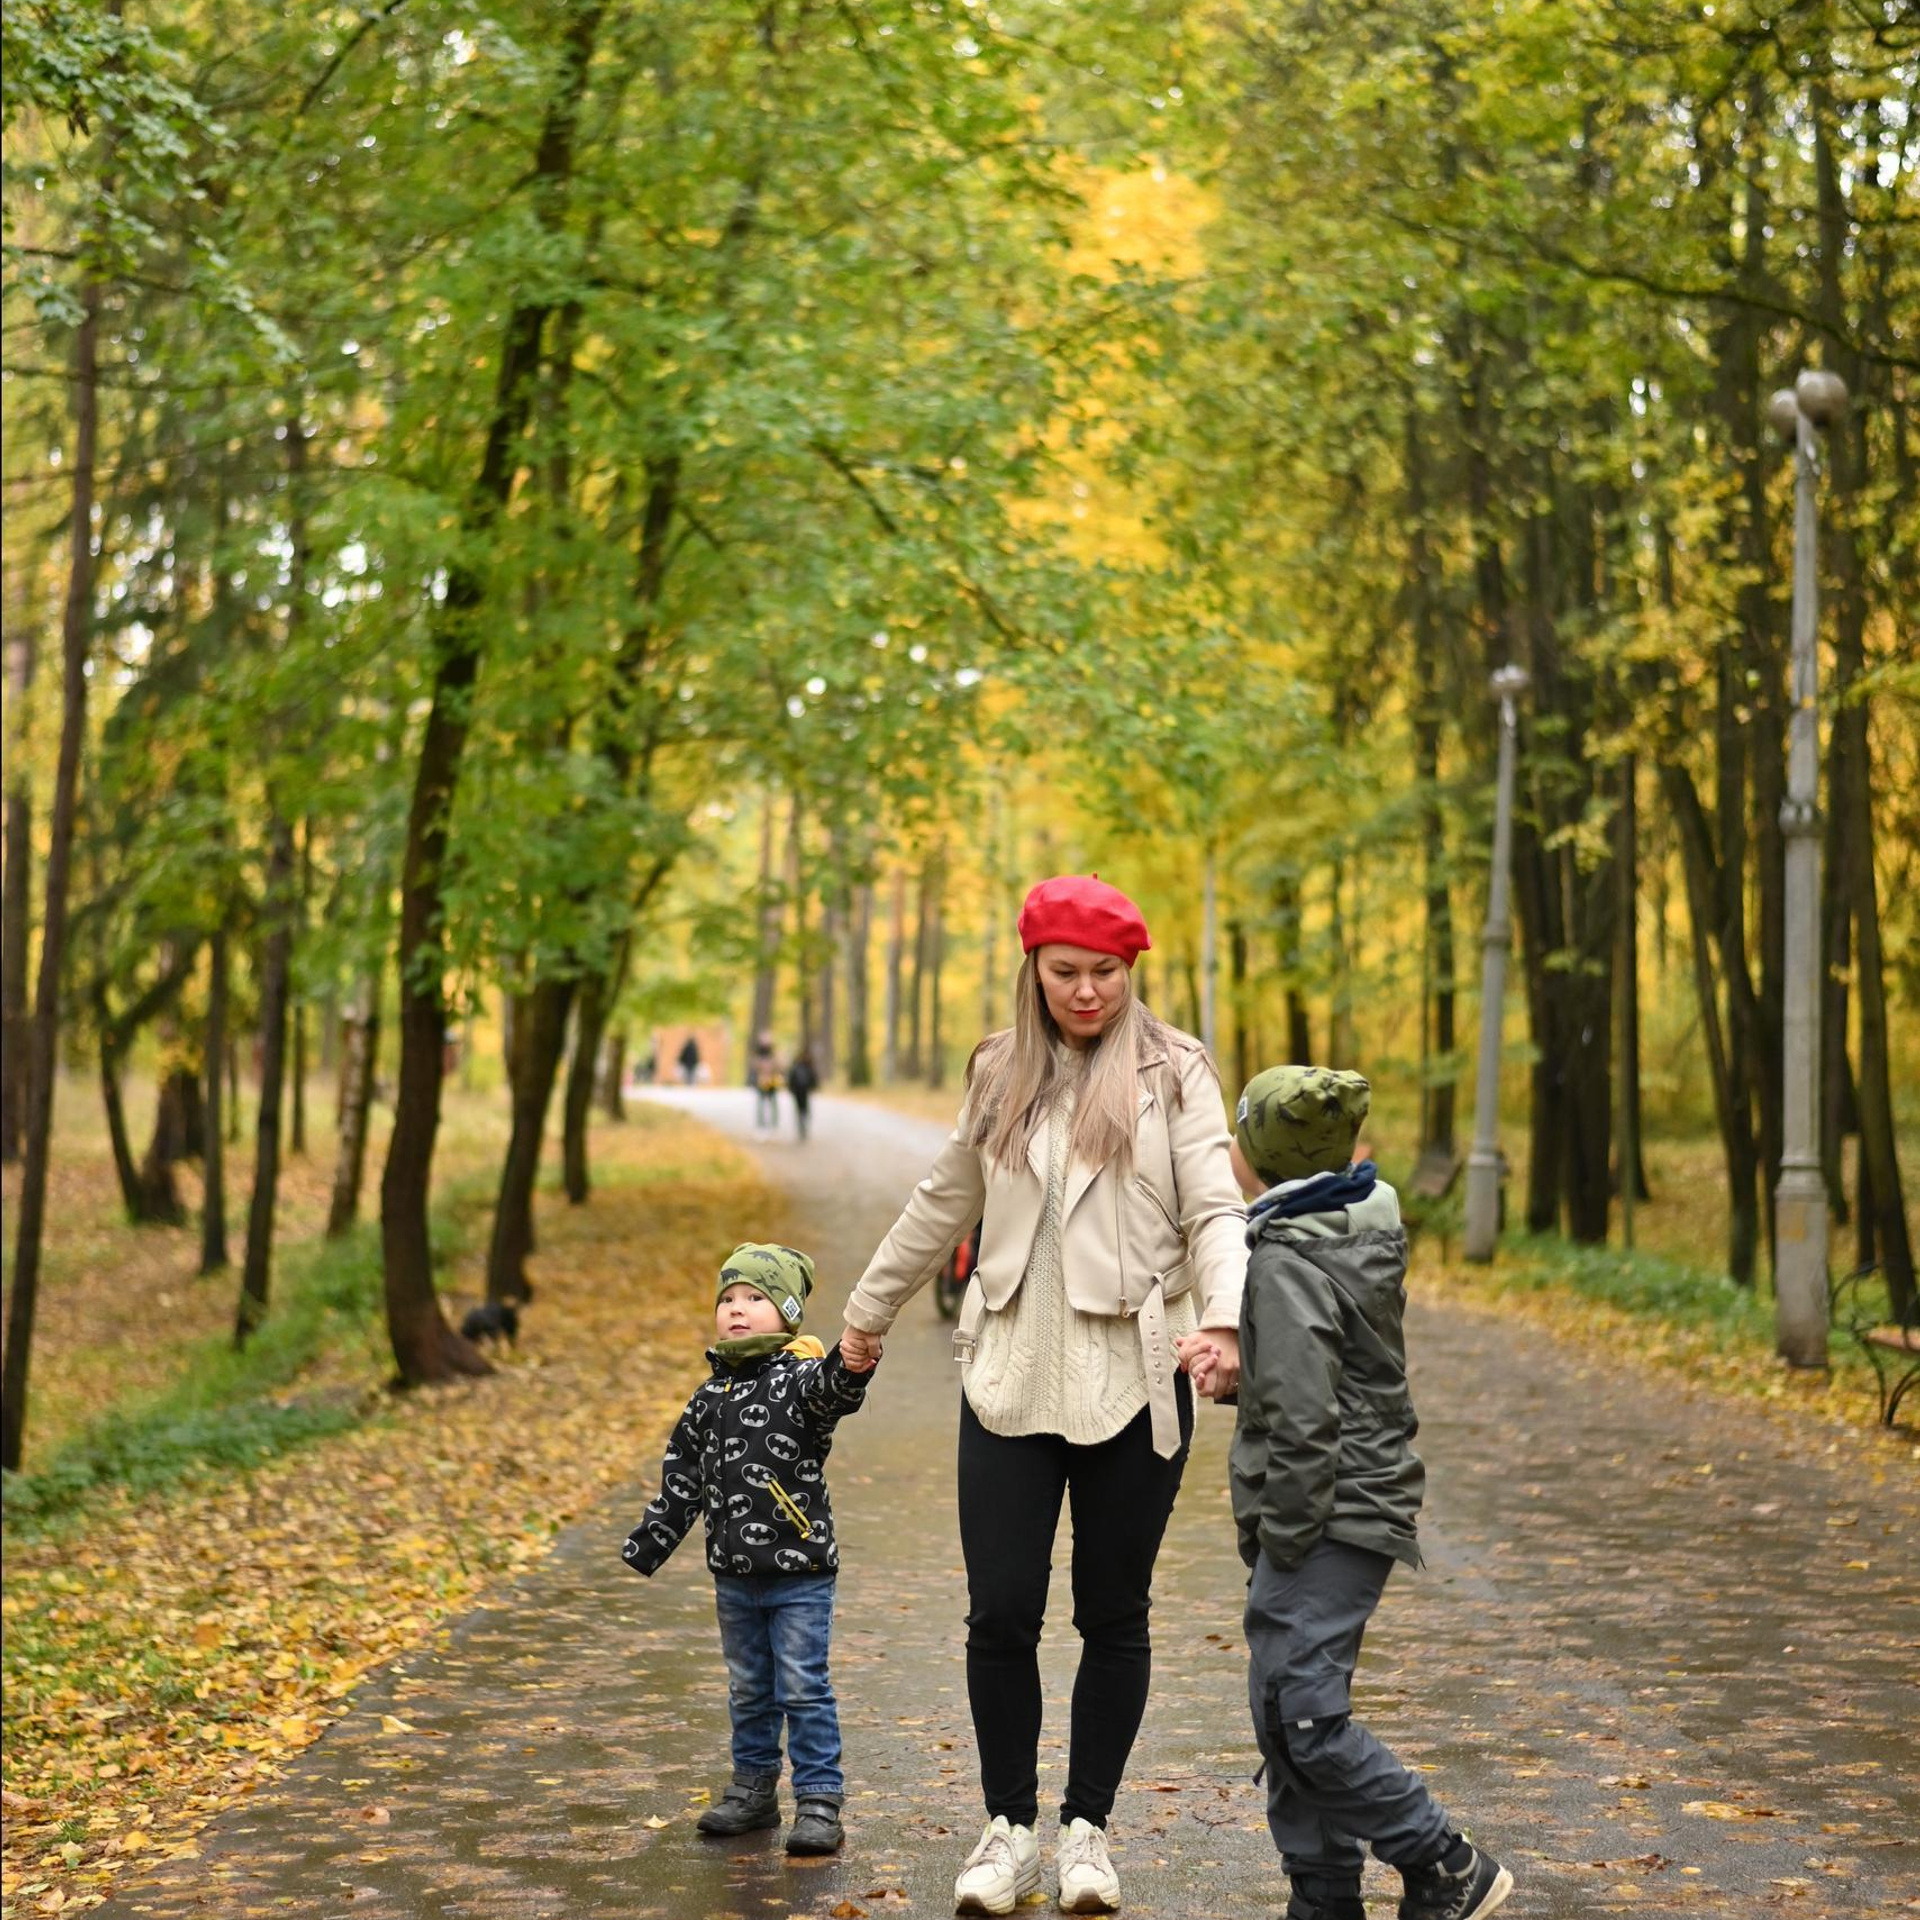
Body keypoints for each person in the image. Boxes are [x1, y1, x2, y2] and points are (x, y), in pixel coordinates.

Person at [840, 875, 1247, 1916]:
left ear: (1132, 971)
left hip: (1140, 1375)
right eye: (1065, 973)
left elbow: (1215, 1208)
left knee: (1114, 1612)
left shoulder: (1176, 1070)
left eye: (1107, 975)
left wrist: (1226, 1320)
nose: (1087, 994)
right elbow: (945, 1198)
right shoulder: (998, 1069)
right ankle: (1007, 1830)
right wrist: (868, 1311)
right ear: (1032, 968)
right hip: (1008, 1370)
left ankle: (1087, 1835)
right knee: (1002, 1611)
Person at [1221, 1066, 1512, 1920]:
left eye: (1239, 1136)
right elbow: (1322, 1374)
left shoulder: (1289, 1255)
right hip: (1349, 1498)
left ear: (1265, 1154)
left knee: (1302, 1715)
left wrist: (1280, 1533)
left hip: (1330, 1511)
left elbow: (1310, 1421)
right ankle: (1323, 1896)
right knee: (1282, 1710)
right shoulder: (1339, 1230)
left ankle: (1445, 1860)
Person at [622, 1243, 878, 1856]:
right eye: (729, 1299)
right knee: (748, 1688)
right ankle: (754, 1790)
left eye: (755, 1299)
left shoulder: (800, 1378)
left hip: (800, 1572)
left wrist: (853, 1364)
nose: (738, 1310)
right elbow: (682, 1478)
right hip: (734, 1574)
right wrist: (651, 1541)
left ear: (786, 1314)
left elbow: (833, 1393)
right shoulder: (707, 1398)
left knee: (803, 1686)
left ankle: (819, 1799)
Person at [786, 1048, 818, 1141]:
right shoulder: (798, 1066)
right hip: (798, 1091)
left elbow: (813, 1078)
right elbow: (792, 1078)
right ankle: (801, 1125)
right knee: (801, 1108)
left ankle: (803, 1124)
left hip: (804, 1091)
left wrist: (813, 1086)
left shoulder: (807, 1066)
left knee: (804, 1108)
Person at [752, 1031, 782, 1130]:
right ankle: (761, 1124)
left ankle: (774, 1124)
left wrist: (772, 1066)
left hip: (772, 1081)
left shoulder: (773, 1053)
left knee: (773, 1103)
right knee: (761, 1103)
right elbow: (754, 1065)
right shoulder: (758, 1053)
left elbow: (779, 1065)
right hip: (761, 1080)